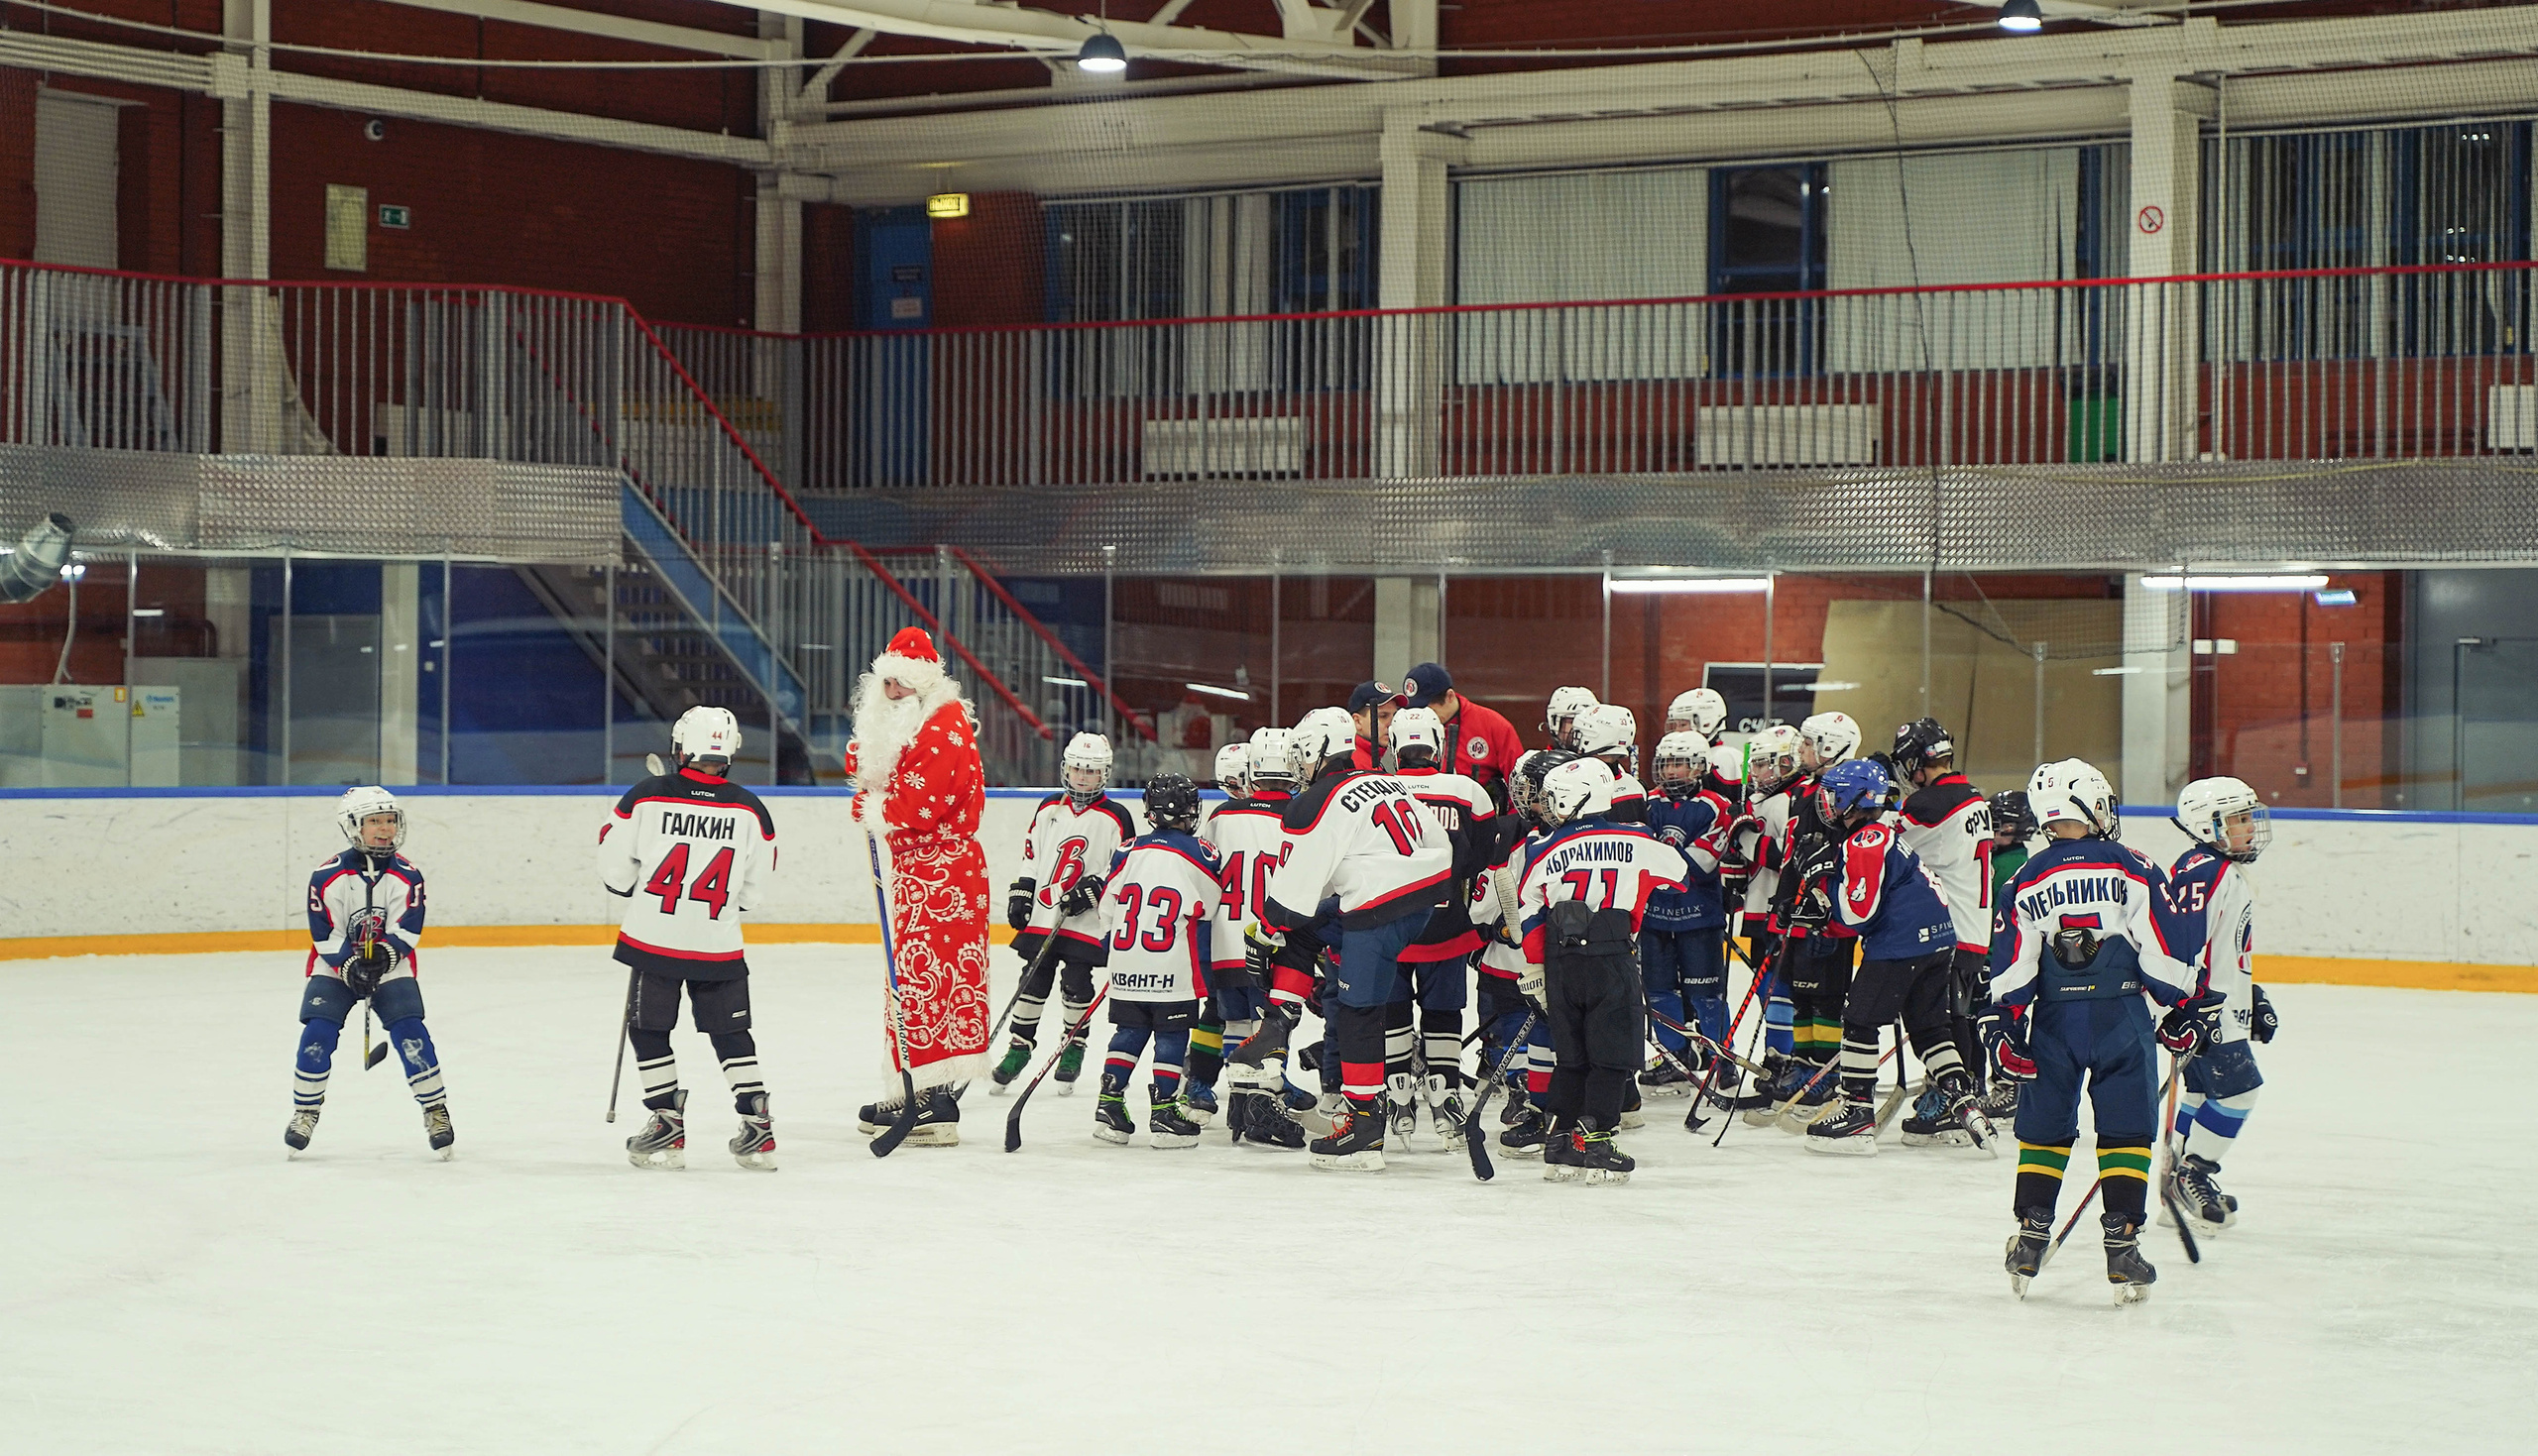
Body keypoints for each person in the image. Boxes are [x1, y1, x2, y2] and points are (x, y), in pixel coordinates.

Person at [1988, 758, 2214, 1304]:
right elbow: (2164, 950)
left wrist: (2009, 1028)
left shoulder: (2025, 877)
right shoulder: (2134, 866)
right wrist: (2181, 1009)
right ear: (2093, 807)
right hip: (2121, 1020)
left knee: (2044, 1127)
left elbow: (2014, 962)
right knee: (2126, 1130)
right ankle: (2122, 1245)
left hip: (2053, 1023)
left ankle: (2031, 1235)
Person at [1252, 706, 1454, 1171]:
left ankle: (1365, 1128)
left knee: (1358, 1012)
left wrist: (1263, 936)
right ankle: (1277, 1030)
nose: (1301, 767)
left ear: (1316, 752)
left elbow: (1287, 905)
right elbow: (1440, 842)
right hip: (1421, 900)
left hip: (1377, 908)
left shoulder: (1313, 800)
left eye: (1303, 756)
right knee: (1309, 932)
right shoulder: (1381, 780)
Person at [604, 709, 779, 1170]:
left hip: (654, 939)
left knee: (648, 1028)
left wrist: (637, 881)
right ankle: (757, 1127)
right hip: (717, 944)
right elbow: (753, 893)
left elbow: (614, 871)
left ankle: (666, 1122)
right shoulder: (749, 808)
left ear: (681, 746)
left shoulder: (645, 797)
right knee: (731, 1032)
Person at [843, 627, 992, 1146]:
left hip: (943, 872)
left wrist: (872, 807)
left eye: (902, 685)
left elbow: (915, 806)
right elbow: (885, 770)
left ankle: (931, 1098)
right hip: (922, 869)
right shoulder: (919, 721)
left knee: (931, 982)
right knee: (914, 979)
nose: (892, 694)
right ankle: (916, 1088)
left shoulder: (944, 726)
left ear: (925, 684)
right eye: (886, 683)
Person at [1790, 758, 1985, 1156]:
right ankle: (1960, 1099)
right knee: (1930, 1027)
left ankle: (1857, 1113)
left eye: (1833, 794)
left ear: (1854, 799)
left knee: (1860, 1021)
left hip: (1902, 946)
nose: (1826, 801)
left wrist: (1822, 885)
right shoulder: (1882, 833)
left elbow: (1859, 913)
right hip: (1938, 941)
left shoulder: (1865, 841)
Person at [1517, 758, 1688, 1183]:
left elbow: (1529, 910)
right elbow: (1680, 875)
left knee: (1572, 1056)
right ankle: (1593, 1141)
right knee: (1612, 1056)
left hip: (1559, 962)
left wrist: (1536, 968)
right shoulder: (1638, 838)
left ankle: (1559, 1141)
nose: (1550, 807)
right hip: (1610, 957)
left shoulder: (1541, 846)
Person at [288, 786, 450, 1160]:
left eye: (390, 820)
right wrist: (349, 964)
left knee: (411, 1029)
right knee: (318, 1030)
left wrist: (384, 959)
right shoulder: (326, 876)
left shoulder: (409, 876)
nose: (385, 829)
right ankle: (305, 1112)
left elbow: (408, 928)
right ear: (353, 826)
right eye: (374, 821)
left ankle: (435, 1111)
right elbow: (324, 932)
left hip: (391, 964)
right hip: (335, 964)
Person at [2161, 776, 2275, 1232]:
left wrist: (2255, 995)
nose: (2249, 827)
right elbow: (2182, 945)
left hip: (2219, 1005)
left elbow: (2223, 949)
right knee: (2240, 1091)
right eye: (2239, 819)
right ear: (2208, 827)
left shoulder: (2216, 868)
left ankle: (2175, 1181)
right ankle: (2194, 1173)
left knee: (2201, 1092)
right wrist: (2189, 1004)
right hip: (2207, 1010)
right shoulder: (2204, 871)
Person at [995, 732, 1136, 1094]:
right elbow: (1032, 855)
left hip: (1086, 921)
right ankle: (1019, 1046)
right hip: (1046, 914)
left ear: (1104, 774)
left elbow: (1124, 866)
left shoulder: (1116, 816)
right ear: (1065, 769)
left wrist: (1096, 887)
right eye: (1076, 770)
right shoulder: (1048, 808)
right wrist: (1023, 890)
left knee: (1076, 982)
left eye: (1091, 772)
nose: (1082, 777)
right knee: (1033, 978)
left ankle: (1074, 1043)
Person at [1383, 705, 1497, 1150]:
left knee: (1392, 1013)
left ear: (1395, 746)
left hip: (1389, 925)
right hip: (1447, 924)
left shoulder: (1374, 788)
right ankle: (1445, 1094)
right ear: (1438, 744)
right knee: (1445, 1013)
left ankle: (1397, 1096)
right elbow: (1481, 857)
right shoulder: (1467, 791)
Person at [1089, 775, 1219, 1150]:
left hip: (1126, 963)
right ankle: (1164, 1112)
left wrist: (1114, 948)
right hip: (1172, 965)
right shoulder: (1202, 852)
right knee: (1172, 1035)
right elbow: (1207, 907)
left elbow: (1107, 907)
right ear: (1190, 811)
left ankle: (1109, 1106)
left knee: (1129, 1032)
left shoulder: (1127, 850)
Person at [1196, 728, 1310, 1148]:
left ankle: (1239, 1098)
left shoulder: (1222, 815)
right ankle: (1263, 1104)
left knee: (1235, 1022)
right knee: (1271, 1023)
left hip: (1225, 940)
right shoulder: (1301, 815)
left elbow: (1203, 870)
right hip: (1273, 938)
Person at [1887, 717, 1995, 1148]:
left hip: (1950, 929)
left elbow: (1884, 843)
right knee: (1959, 1016)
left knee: (1944, 1019)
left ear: (1916, 762)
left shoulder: (1927, 805)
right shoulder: (1971, 796)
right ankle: (1969, 1091)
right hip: (1975, 927)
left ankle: (1953, 1099)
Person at [1764, 711, 1863, 1113]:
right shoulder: (1807, 791)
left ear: (1829, 747)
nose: (1801, 749)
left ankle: (1825, 1070)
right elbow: (1794, 853)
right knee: (1802, 995)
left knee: (1825, 997)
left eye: (1808, 743)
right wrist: (1785, 898)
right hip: (1800, 910)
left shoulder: (1847, 793)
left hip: (1828, 917)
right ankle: (1805, 1063)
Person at [1641, 731, 1733, 1105]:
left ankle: (1720, 1057)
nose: (1670, 771)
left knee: (1706, 993)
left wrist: (1660, 858)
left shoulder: (1716, 806)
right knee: (1659, 990)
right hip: (1654, 916)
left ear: (1698, 766)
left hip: (1700, 917)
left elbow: (1702, 861)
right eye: (1664, 763)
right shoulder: (1647, 803)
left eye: (1678, 763)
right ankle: (1675, 1054)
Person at [1401, 662, 1526, 808]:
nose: (1420, 716)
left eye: (1427, 709)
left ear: (1449, 697)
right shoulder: (1408, 725)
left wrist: (1507, 827)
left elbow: (1520, 788)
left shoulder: (1493, 726)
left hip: (1480, 821)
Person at [1347, 681, 1403, 769]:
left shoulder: (1369, 759)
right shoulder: (1353, 764)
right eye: (1383, 716)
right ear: (1357, 721)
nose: (1392, 724)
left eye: (1395, 716)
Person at [1543, 686, 1597, 751]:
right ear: (1554, 722)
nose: (1582, 728)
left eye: (1587, 723)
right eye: (1573, 721)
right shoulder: (1539, 760)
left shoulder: (1600, 760)